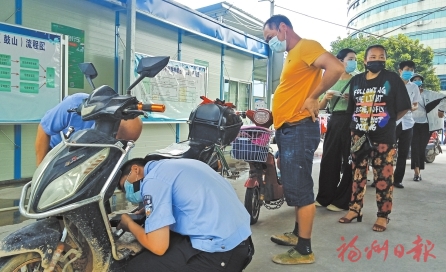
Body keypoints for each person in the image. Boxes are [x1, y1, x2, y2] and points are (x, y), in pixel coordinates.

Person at [263, 15, 344, 264]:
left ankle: (304, 250)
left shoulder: (306, 46)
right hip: (290, 128)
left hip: (298, 128)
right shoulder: (292, 55)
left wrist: (314, 97)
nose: (269, 42)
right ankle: (298, 234)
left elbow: (337, 68)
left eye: (269, 36)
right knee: (295, 185)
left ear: (283, 28)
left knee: (300, 188)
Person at [116, 158, 254, 271]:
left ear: (135, 169)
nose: (127, 194)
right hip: (242, 241)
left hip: (220, 253)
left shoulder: (153, 181)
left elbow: (158, 247)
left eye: (125, 186)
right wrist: (153, 212)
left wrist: (129, 224)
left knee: (135, 267)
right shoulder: (176, 165)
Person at [339, 45, 411, 232]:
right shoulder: (356, 81)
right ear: (365, 60)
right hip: (358, 135)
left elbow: (403, 107)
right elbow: (353, 109)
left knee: (383, 177)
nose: (376, 59)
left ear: (385, 60)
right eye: (372, 56)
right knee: (357, 174)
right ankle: (355, 209)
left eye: (381, 56)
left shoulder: (392, 79)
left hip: (383, 137)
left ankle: (383, 216)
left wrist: (387, 122)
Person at [35, 93, 143, 165]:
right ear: (112, 123)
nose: (116, 144)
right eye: (116, 138)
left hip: (84, 157)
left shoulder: (121, 141)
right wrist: (40, 171)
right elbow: (44, 129)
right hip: (56, 151)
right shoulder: (75, 103)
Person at [316, 48, 357, 212]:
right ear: (340, 61)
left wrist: (352, 99)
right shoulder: (330, 80)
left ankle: (342, 200)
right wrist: (326, 97)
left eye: (355, 59)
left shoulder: (357, 81)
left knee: (348, 160)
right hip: (334, 120)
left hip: (352, 120)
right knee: (329, 159)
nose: (353, 62)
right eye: (350, 58)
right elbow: (319, 107)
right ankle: (324, 196)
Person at [390, 61, 420, 189]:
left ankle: (398, 180)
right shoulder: (392, 84)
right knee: (387, 151)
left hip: (408, 123)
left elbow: (416, 104)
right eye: (407, 69)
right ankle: (382, 178)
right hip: (393, 121)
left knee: (403, 153)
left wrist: (412, 107)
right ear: (400, 70)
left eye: (412, 70)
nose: (410, 72)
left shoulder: (414, 87)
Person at [410, 74, 446, 181]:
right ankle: (416, 172)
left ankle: (419, 169)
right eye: (415, 80)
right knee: (415, 148)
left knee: (421, 148)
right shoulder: (409, 93)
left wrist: (441, 110)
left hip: (426, 125)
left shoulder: (429, 94)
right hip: (413, 125)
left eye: (419, 80)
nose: (417, 81)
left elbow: (443, 97)